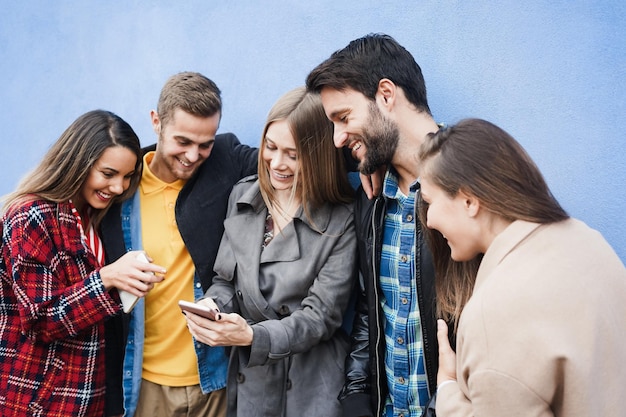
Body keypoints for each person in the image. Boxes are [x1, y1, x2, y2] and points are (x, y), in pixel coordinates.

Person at [416, 118, 626, 417]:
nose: (430, 220)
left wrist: (448, 388)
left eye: (429, 201)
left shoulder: (494, 312)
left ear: (468, 201)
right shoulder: (588, 241)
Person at [183, 86, 358, 417]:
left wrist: (251, 335)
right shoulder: (244, 197)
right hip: (253, 380)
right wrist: (212, 305)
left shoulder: (341, 219)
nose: (277, 163)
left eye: (293, 154)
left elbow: (321, 316)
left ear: (318, 154)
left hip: (312, 384)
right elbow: (225, 281)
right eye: (271, 147)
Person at [100, 72, 258, 417]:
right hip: (143, 384)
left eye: (205, 143)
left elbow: (291, 159)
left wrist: (365, 161)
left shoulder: (224, 159)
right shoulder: (119, 190)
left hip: (213, 380)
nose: (193, 155)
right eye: (182, 141)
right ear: (156, 122)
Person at [306, 33, 441, 417]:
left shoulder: (469, 189)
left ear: (386, 95)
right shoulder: (373, 196)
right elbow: (372, 309)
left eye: (343, 118)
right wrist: (356, 395)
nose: (337, 139)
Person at [0, 110, 165, 417]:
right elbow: (39, 318)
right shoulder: (32, 217)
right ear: (78, 162)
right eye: (108, 174)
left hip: (89, 398)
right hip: (38, 400)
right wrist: (106, 279)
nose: (118, 187)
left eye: (127, 177)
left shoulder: (92, 216)